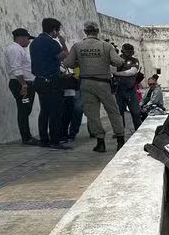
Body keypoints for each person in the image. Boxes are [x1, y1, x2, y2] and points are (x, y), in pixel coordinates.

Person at [63, 20, 127, 152]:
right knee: (113, 111)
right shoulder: (106, 46)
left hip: (86, 83)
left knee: (92, 114)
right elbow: (117, 62)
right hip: (104, 83)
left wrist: (78, 63)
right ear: (97, 31)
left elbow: (68, 63)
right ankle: (120, 140)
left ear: (85, 32)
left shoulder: (77, 46)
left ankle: (100, 142)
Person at [29, 18, 70, 149]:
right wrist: (63, 43)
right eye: (58, 31)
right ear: (54, 30)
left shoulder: (34, 42)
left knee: (44, 111)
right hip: (52, 80)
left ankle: (44, 140)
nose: (58, 33)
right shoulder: (52, 43)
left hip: (39, 80)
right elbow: (64, 56)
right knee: (55, 112)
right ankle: (55, 140)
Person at [2, 28, 38, 145]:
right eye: (28, 39)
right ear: (21, 38)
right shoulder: (14, 49)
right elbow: (16, 68)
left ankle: (27, 136)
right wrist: (23, 84)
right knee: (24, 109)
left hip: (24, 83)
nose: (28, 42)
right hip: (21, 84)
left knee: (26, 109)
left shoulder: (18, 49)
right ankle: (26, 137)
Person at [115, 43, 142, 131]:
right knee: (119, 113)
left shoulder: (134, 60)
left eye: (131, 52)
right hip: (118, 90)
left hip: (130, 90)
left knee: (136, 112)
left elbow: (133, 71)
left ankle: (137, 130)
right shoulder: (116, 60)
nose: (130, 54)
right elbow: (111, 69)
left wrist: (117, 74)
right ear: (123, 51)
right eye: (128, 52)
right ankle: (120, 132)